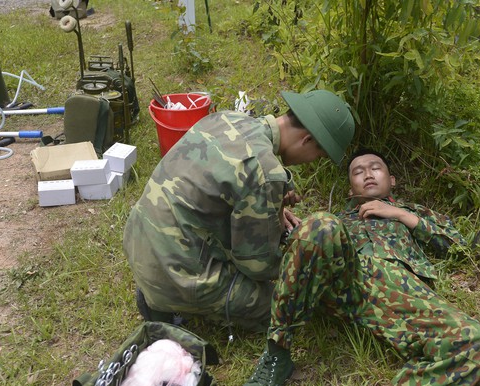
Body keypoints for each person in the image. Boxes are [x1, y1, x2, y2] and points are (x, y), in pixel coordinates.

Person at [233, 148, 480, 386]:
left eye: (375, 168)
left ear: (392, 180)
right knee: (320, 224)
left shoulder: (412, 212)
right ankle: (277, 354)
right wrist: (275, 218)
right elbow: (296, 254)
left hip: (396, 288)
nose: (368, 173)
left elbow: (457, 246)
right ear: (350, 188)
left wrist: (399, 214)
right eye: (358, 171)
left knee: (471, 340)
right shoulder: (336, 221)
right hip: (341, 280)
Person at [123, 90, 355, 332]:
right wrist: (295, 251)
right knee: (287, 303)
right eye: (318, 155)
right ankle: (174, 296)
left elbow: (215, 193)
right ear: (307, 140)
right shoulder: (265, 171)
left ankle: (161, 288)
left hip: (139, 240)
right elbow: (257, 267)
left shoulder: (225, 118)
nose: (312, 160)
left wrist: (270, 208)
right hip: (176, 270)